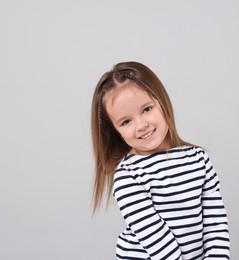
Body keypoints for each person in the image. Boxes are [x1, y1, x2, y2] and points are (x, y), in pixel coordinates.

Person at [91, 61, 230, 259]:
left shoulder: (199, 159)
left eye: (147, 109)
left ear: (162, 102)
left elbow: (215, 223)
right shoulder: (128, 177)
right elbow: (157, 241)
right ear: (116, 131)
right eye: (126, 121)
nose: (141, 125)